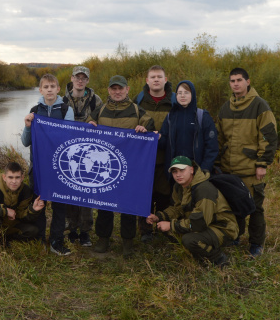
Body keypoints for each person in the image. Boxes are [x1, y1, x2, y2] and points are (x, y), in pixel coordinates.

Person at [86, 75, 155, 257]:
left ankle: (127, 242)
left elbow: (150, 124)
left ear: (127, 89)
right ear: (109, 90)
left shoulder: (136, 110)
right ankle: (103, 239)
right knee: (104, 205)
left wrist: (143, 128)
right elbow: (87, 125)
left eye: (120, 88)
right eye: (114, 88)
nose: (117, 92)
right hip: (105, 167)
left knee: (128, 206)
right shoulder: (100, 110)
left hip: (129, 167)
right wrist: (90, 124)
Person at [214, 68, 278, 257]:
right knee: (234, 206)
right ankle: (235, 236)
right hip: (229, 168)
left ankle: (256, 243)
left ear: (248, 82)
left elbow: (268, 136)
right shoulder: (226, 108)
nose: (236, 84)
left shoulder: (260, 106)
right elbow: (219, 138)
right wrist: (217, 162)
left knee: (255, 208)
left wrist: (262, 163)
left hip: (251, 169)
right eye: (232, 81)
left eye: (239, 80)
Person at [147, 156, 237, 267]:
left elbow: (199, 223)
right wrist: (158, 217)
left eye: (182, 170)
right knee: (165, 227)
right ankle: (198, 254)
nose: (178, 175)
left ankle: (219, 259)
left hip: (223, 228)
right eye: (174, 171)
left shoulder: (204, 189)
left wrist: (171, 225)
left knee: (189, 239)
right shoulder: (179, 187)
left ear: (191, 170)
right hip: (204, 224)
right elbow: (177, 208)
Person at [22, 74, 75, 256]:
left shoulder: (66, 109)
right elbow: (25, 142)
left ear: (58, 89)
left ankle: (56, 241)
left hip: (60, 168)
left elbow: (69, 137)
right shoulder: (35, 110)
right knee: (39, 204)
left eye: (53, 86)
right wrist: (28, 125)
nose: (50, 90)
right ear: (41, 90)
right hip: (38, 168)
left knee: (60, 206)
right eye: (46, 87)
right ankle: (39, 240)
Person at [62, 65, 102, 247]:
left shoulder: (96, 101)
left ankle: (85, 231)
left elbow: (104, 125)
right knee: (69, 192)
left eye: (83, 78)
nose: (80, 80)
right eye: (77, 77)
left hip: (88, 153)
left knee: (86, 192)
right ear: (71, 79)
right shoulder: (61, 100)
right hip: (69, 152)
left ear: (87, 80)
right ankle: (72, 229)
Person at [134, 65, 174, 242]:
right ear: (147, 81)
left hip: (167, 157)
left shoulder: (175, 101)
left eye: (159, 77)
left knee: (166, 195)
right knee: (145, 196)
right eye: (153, 77)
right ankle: (146, 230)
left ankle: (164, 228)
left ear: (165, 80)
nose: (156, 79)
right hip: (144, 160)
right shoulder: (139, 101)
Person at [0, 161, 46, 244]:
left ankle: (4, 240)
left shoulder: (25, 191)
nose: (14, 181)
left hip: (9, 224)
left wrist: (33, 210)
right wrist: (5, 211)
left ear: (22, 177)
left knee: (33, 230)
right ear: (4, 177)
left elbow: (21, 215)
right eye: (10, 177)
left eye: (17, 177)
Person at [158, 80, 219, 174]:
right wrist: (158, 138)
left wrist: (204, 170)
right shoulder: (171, 117)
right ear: (176, 96)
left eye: (186, 92)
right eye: (179, 93)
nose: (182, 95)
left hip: (197, 172)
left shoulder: (202, 116)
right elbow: (163, 144)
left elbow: (212, 147)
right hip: (175, 172)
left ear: (193, 94)